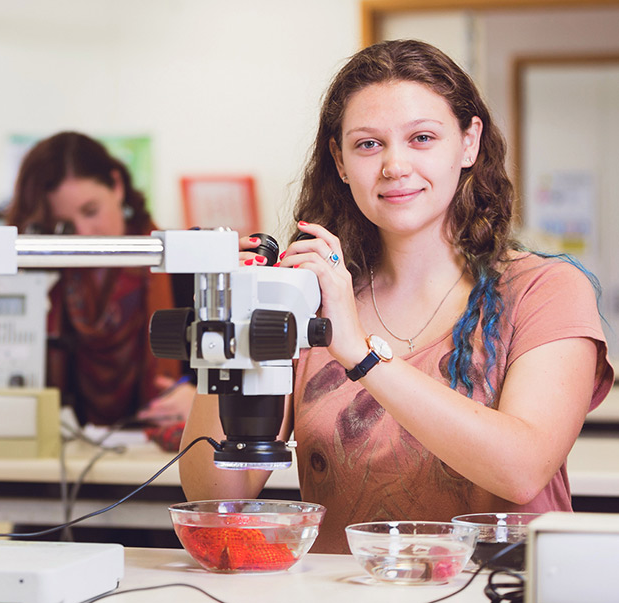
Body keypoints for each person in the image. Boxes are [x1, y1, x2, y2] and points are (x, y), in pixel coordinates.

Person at [179, 39, 614, 554]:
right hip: (345, 592)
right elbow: (214, 495)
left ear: (469, 142)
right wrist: (232, 324)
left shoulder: (545, 290)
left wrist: (361, 354)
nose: (394, 165)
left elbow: (520, 471)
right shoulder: (305, 298)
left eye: (422, 137)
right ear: (340, 161)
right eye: (368, 144)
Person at [5, 131, 194, 429]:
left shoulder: (184, 264)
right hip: (73, 453)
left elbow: (234, 377)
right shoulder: (47, 283)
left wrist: (203, 398)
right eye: (64, 224)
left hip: (168, 455)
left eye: (91, 210)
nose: (83, 232)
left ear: (117, 186)